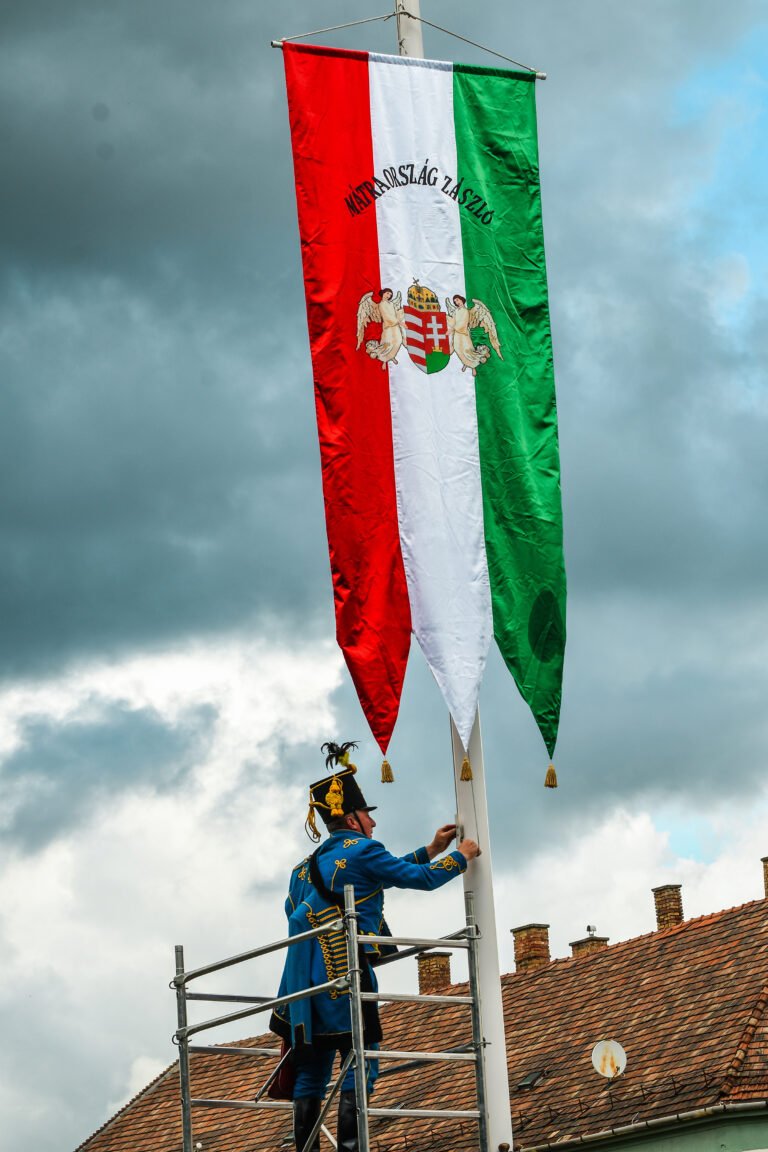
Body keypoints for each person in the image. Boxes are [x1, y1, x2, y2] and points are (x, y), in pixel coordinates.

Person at [270, 741, 480, 1152]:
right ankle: (351, 1147)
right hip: (344, 970)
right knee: (360, 1059)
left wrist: (431, 849)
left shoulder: (303, 868)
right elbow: (415, 879)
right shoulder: (365, 850)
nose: (373, 823)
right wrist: (459, 858)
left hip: (299, 982)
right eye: (368, 815)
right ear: (351, 817)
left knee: (312, 1069)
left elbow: (374, 876)